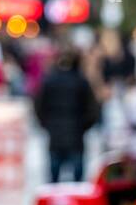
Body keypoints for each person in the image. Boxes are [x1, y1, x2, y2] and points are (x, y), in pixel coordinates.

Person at [34, 46, 99, 183]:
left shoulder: (49, 81)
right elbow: (93, 110)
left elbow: (38, 107)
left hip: (56, 135)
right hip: (76, 135)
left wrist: (47, 126)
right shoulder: (81, 82)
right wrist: (83, 127)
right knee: (77, 184)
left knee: (54, 181)